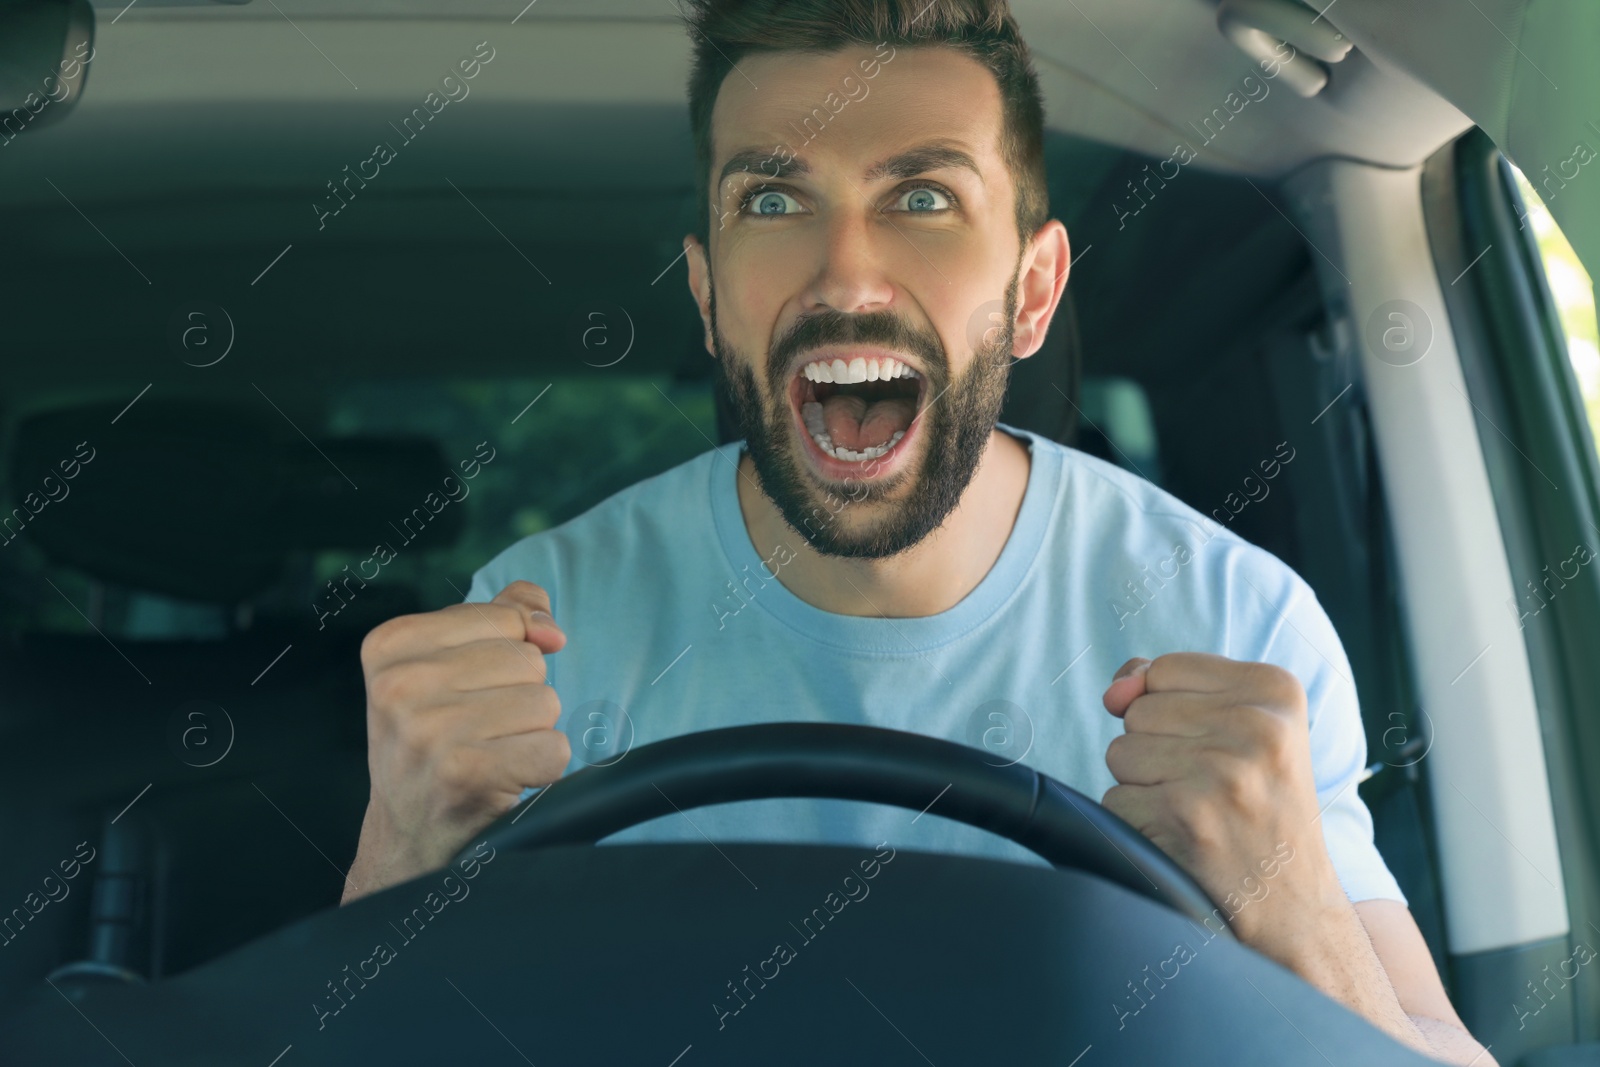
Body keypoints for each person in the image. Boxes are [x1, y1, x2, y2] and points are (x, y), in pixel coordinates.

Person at [343, 1, 1492, 1061]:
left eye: (924, 197)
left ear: (1032, 293)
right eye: (774, 200)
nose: (847, 273)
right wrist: (397, 848)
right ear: (706, 296)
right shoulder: (539, 623)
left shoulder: (1232, 619)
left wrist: (1290, 911)